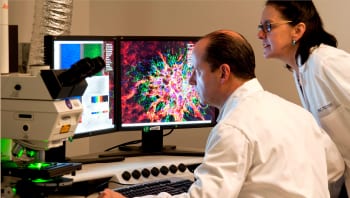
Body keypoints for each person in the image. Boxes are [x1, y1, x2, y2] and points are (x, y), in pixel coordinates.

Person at [99, 29, 344, 198]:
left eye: (197, 70)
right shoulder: (297, 114)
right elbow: (334, 169)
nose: (192, 80)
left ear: (223, 73)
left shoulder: (234, 128)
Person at [257, 1, 350, 196]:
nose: (260, 35)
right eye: (261, 28)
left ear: (297, 31)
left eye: (268, 26)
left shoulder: (326, 62)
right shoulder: (301, 71)